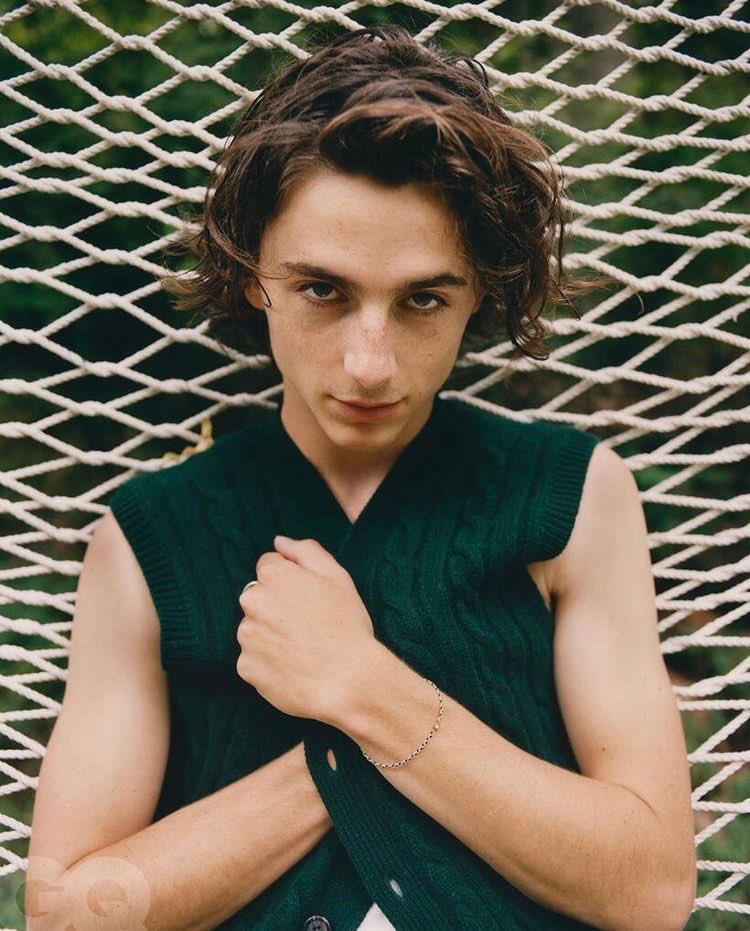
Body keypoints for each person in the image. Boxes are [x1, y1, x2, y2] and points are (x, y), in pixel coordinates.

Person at [25, 24, 696, 931]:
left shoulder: (571, 497)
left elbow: (650, 892)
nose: (369, 364)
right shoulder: (150, 537)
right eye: (323, 290)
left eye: (423, 299)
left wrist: (365, 686)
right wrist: (351, 741)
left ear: (480, 292)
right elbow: (65, 914)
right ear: (252, 272)